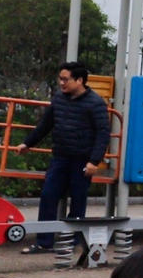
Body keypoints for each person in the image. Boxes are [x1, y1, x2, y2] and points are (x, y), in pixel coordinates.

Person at [24, 62, 112, 255]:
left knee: (78, 200)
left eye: (66, 79)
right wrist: (28, 143)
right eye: (60, 78)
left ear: (79, 80)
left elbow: (102, 134)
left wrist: (94, 161)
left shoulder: (95, 103)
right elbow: (46, 124)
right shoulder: (59, 99)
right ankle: (44, 241)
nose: (61, 83)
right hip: (61, 156)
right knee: (48, 196)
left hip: (82, 159)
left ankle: (70, 241)